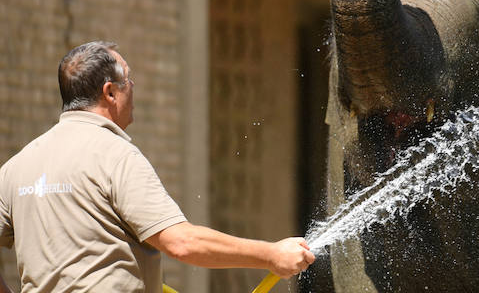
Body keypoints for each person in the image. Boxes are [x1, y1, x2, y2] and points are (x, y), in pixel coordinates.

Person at [0, 41, 315, 292]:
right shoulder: (115, 156)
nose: (134, 86)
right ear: (109, 92)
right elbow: (182, 242)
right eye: (128, 78)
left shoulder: (17, 167)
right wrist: (272, 255)